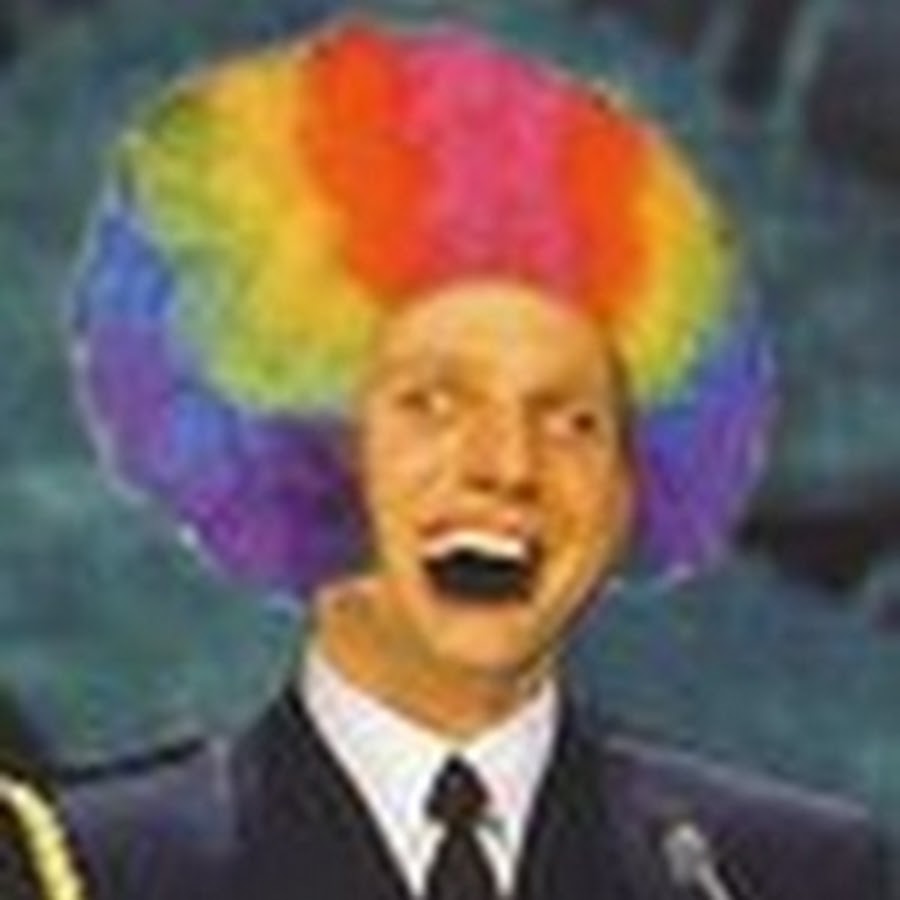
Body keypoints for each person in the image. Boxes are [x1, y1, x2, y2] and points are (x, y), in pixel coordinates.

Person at [58, 16, 888, 900]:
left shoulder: (791, 874)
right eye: (434, 405)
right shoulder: (96, 866)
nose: (510, 466)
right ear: (300, 447)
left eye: (573, 421)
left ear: (629, 486)